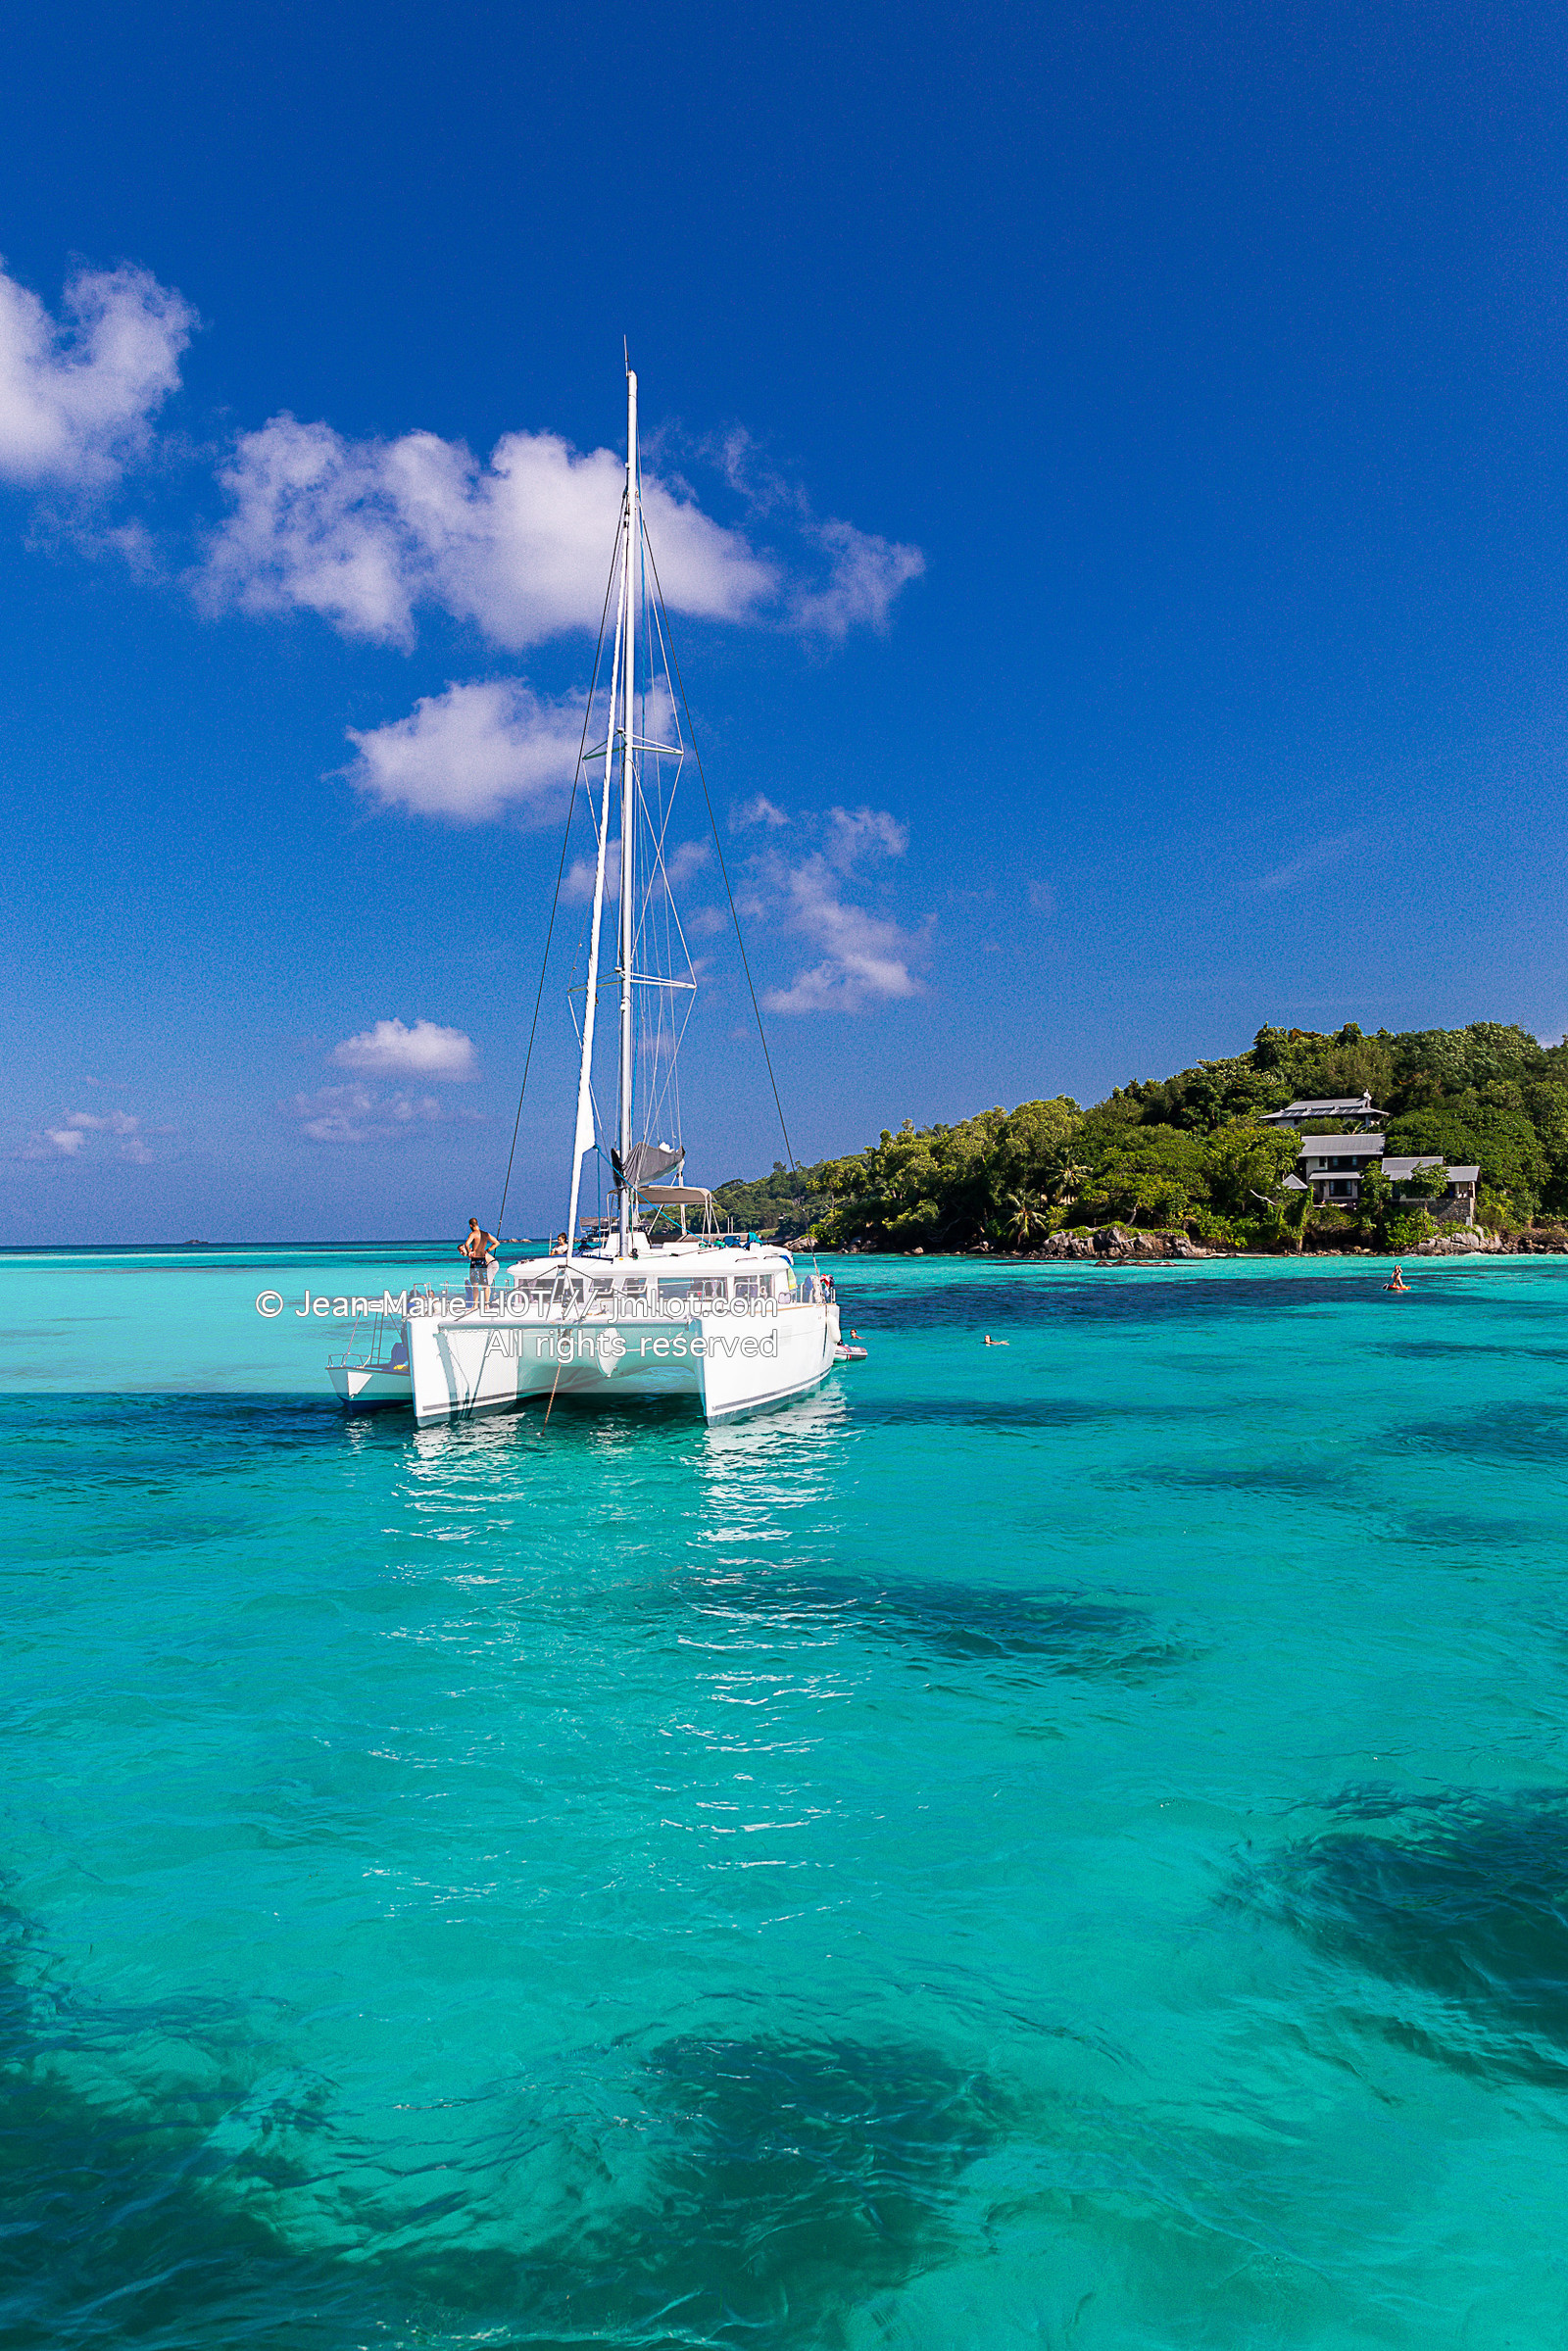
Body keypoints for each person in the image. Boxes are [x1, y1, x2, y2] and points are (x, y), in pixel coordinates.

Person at [462, 1217, 498, 1304]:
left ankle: (475, 1305)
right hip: (483, 1260)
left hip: (475, 1260)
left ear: (470, 1225)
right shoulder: (486, 1234)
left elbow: (467, 1244)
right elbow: (496, 1243)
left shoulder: (473, 1234)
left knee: (475, 1285)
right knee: (485, 1285)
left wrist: (469, 1252)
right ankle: (486, 1305)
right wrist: (488, 1250)